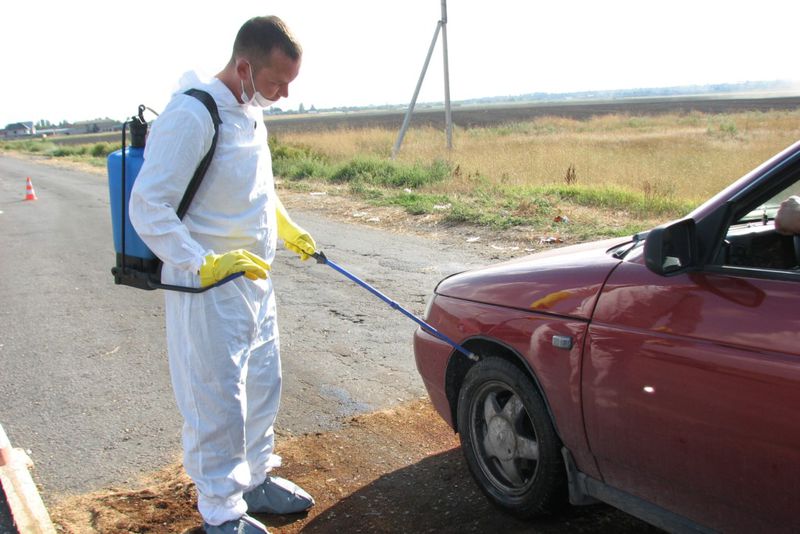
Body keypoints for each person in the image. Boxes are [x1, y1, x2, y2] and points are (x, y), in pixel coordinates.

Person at [129, 16, 316, 534]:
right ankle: (221, 508)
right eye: (276, 82)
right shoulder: (193, 113)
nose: (282, 95)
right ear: (243, 66)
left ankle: (256, 476)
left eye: (289, 85)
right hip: (207, 287)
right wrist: (201, 261)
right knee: (216, 398)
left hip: (254, 281)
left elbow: (256, 188)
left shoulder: (252, 113)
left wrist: (286, 226)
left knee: (262, 384)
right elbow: (147, 206)